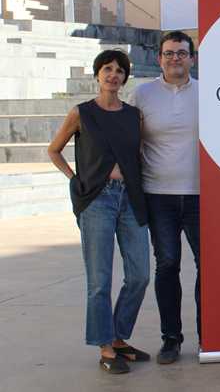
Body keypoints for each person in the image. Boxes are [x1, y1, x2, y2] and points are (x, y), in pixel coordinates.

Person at [47, 49, 150, 374]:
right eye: (107, 69)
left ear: (124, 78)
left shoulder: (134, 115)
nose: (113, 75)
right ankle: (105, 348)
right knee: (99, 279)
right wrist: (76, 181)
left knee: (139, 275)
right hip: (97, 200)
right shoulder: (82, 113)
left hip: (131, 199)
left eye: (119, 71)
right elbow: (54, 150)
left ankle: (118, 337)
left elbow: (139, 154)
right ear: (97, 75)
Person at [128, 31, 199, 364]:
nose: (175, 58)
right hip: (159, 196)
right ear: (159, 58)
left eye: (181, 53)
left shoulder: (209, 93)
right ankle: (171, 338)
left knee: (208, 268)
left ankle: (210, 335)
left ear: (192, 58)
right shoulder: (142, 94)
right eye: (169, 53)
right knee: (167, 265)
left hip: (202, 197)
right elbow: (129, 142)